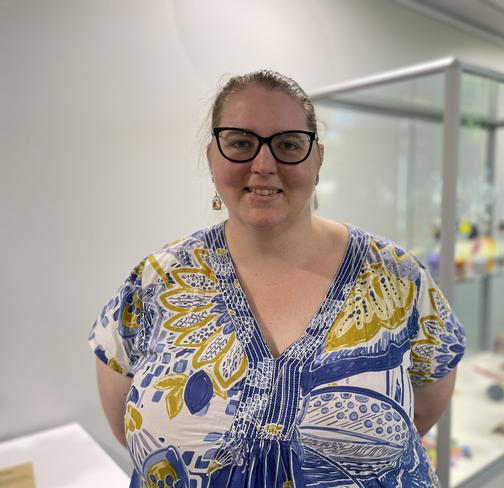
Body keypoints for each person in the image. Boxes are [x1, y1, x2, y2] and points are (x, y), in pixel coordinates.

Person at [90, 70, 466, 488]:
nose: (264, 165)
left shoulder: (397, 277)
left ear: (318, 159)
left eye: (288, 144)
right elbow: (127, 422)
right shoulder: (156, 281)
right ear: (213, 156)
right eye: (240, 143)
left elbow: (427, 404)